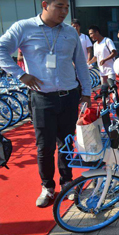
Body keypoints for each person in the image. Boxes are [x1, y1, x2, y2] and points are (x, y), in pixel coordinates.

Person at [0, 0, 91, 207]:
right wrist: (21, 75)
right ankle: (48, 187)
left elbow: (81, 64)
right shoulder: (24, 27)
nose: (64, 11)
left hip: (69, 97)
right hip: (42, 99)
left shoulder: (70, 32)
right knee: (45, 147)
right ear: (45, 5)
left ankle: (67, 183)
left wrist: (86, 92)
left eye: (67, 7)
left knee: (67, 144)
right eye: (59, 6)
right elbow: (1, 49)